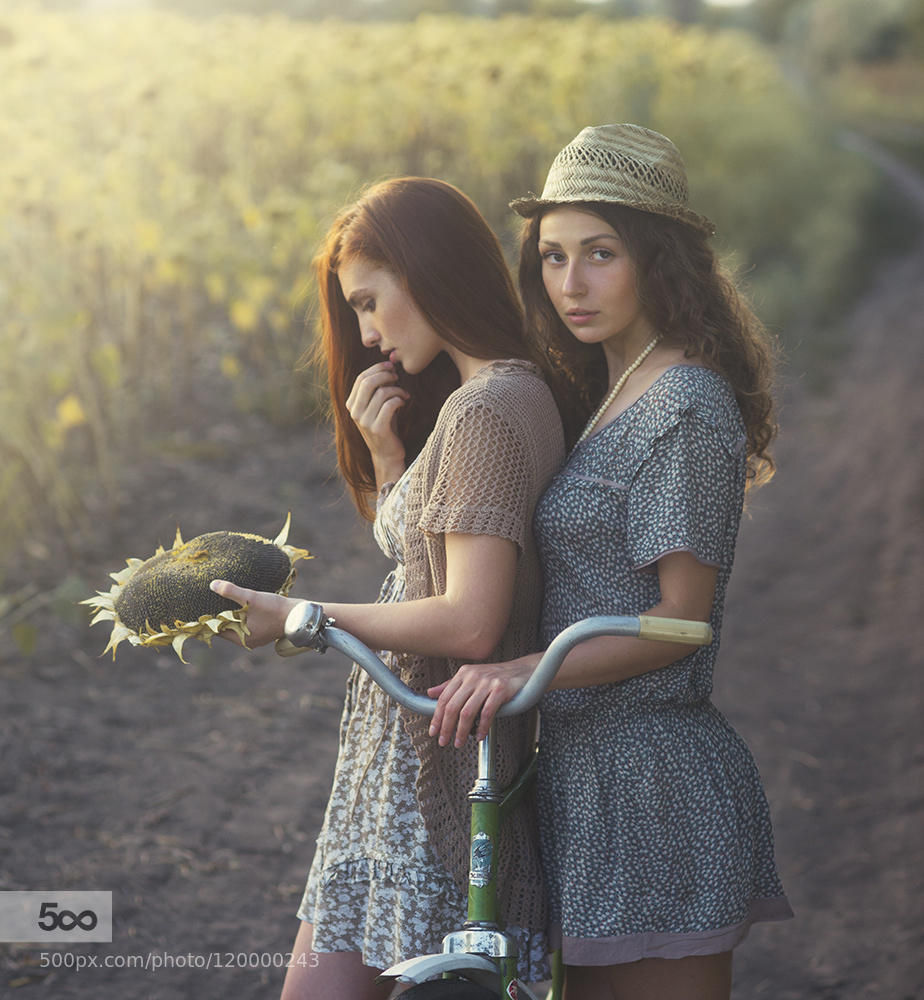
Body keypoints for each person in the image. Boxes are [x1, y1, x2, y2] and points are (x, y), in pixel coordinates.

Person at [428, 124, 794, 999]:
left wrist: (525, 666)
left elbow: (679, 624)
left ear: (658, 260)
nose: (570, 284)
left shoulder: (687, 403)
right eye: (553, 257)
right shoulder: (611, 390)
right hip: (584, 782)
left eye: (600, 254)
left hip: (656, 786)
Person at [210, 176, 562, 1000]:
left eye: (371, 302)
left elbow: (472, 618)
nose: (367, 334)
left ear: (428, 271)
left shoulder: (486, 412)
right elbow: (426, 560)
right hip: (399, 768)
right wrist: (388, 461)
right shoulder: (509, 394)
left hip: (420, 779)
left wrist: (301, 616)